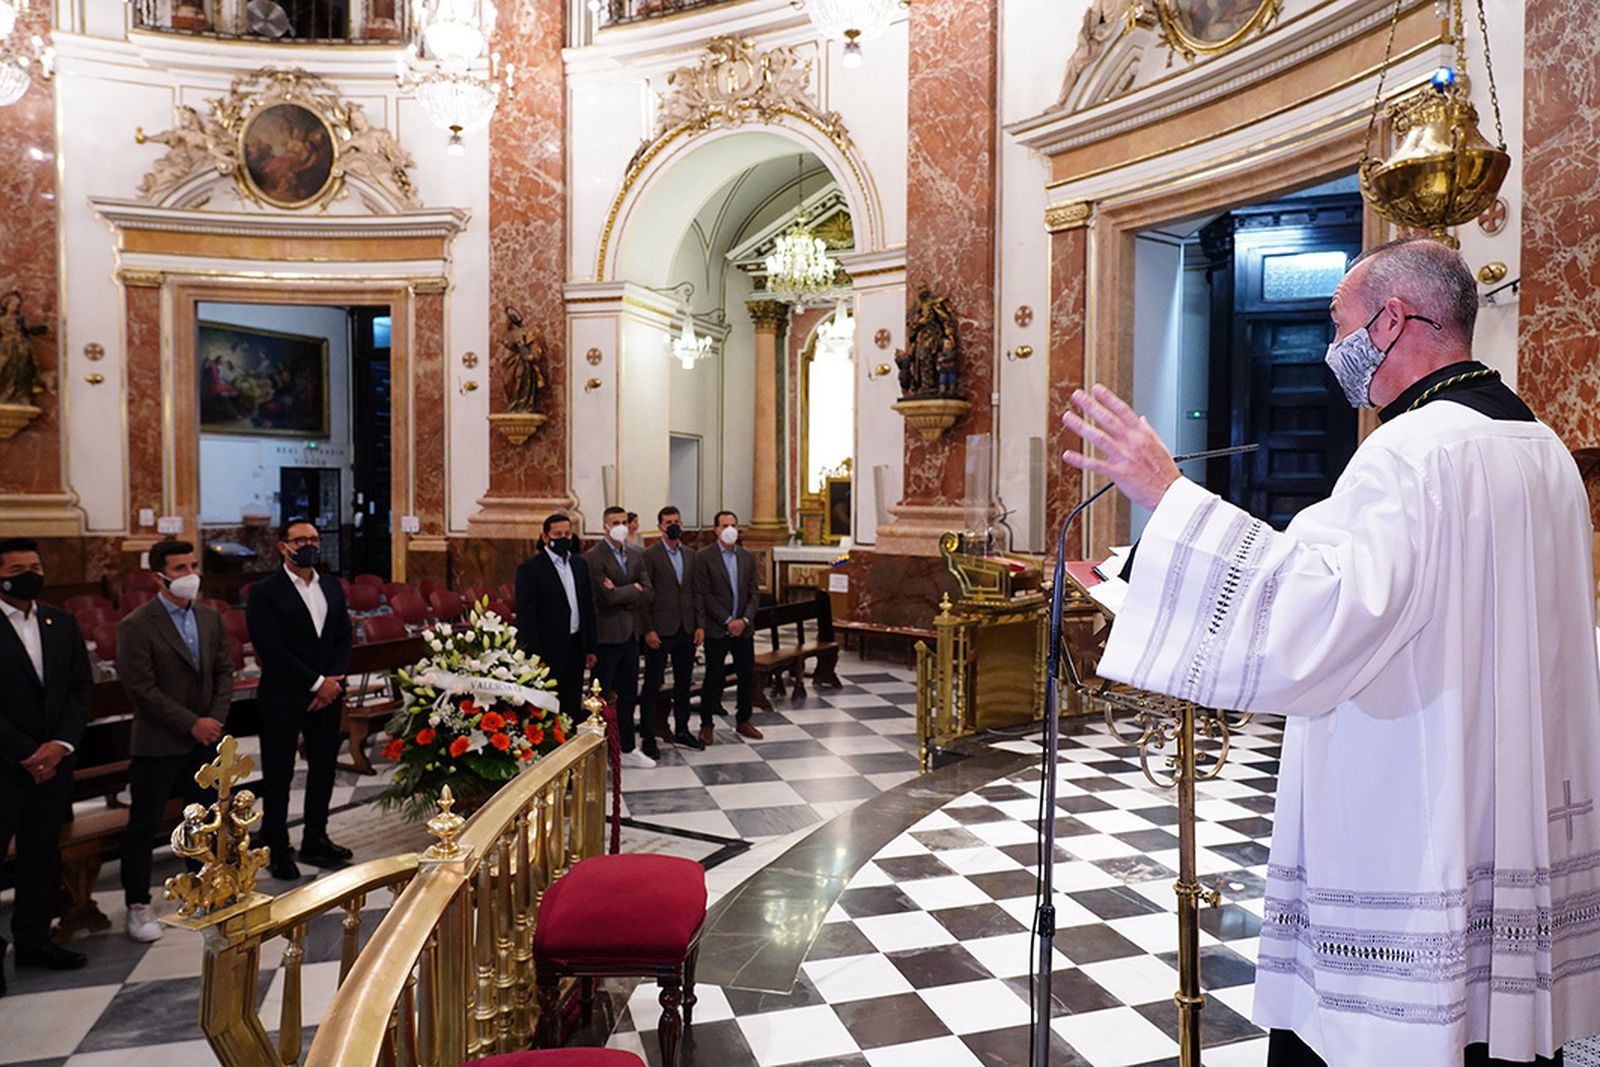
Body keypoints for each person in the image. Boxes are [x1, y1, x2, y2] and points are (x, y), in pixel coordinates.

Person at [1060, 238, 1600, 1067]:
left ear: (1391, 322)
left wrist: (1169, 499)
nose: (1328, 347)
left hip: (1415, 823)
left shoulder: (1412, 453)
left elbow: (1315, 616)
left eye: (1338, 322)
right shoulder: (1547, 452)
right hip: (1510, 811)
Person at [115, 539, 233, 942]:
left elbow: (223, 673)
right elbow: (142, 690)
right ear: (159, 576)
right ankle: (137, 904)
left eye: (193, 566)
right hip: (159, 742)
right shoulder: (137, 624)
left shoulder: (209, 618)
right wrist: (191, 723)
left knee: (201, 820)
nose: (190, 575)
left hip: (205, 739)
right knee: (144, 825)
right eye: (180, 568)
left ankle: (201, 888)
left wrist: (213, 721)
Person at [0, 537, 93, 985]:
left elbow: (79, 689)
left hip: (54, 764)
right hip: (5, 765)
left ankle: (34, 939)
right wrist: (24, 752)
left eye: (35, 565)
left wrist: (60, 745)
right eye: (19, 568)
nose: (30, 575)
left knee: (41, 855)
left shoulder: (62, 621)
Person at [245, 518, 354, 881]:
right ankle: (276, 845)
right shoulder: (265, 592)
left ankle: (316, 837)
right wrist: (315, 683)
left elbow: (342, 637)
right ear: (282, 546)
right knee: (280, 773)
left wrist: (332, 681)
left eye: (313, 539)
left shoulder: (333, 587)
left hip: (328, 694)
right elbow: (270, 648)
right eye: (300, 539)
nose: (308, 544)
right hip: (284, 694)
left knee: (323, 768)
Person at [585, 506, 656, 769]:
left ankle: (627, 747)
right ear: (605, 526)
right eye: (615, 522)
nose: (621, 526)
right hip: (606, 636)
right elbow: (607, 597)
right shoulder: (594, 557)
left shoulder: (636, 555)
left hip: (630, 635)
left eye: (624, 521)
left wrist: (626, 591)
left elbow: (648, 591)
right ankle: (596, 750)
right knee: (600, 698)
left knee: (628, 695)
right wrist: (632, 590)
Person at [514, 514, 597, 721]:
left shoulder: (579, 565)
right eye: (557, 534)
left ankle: (571, 747)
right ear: (545, 537)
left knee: (571, 703)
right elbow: (527, 617)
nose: (563, 538)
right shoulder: (531, 568)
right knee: (548, 706)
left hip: (575, 644)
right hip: (548, 648)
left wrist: (590, 647)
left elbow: (587, 607)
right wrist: (534, 655)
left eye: (567, 534)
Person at [694, 511, 763, 744]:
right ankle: (706, 724)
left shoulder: (746, 557)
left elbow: (754, 593)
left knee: (746, 674)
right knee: (713, 677)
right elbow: (705, 594)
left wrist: (744, 620)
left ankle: (744, 719)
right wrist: (727, 620)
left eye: (733, 524)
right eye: (725, 525)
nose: (730, 529)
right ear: (716, 530)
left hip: (743, 628)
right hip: (718, 627)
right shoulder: (704, 557)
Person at [641, 506, 704, 751]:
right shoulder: (650, 555)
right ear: (660, 527)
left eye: (677, 521)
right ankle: (648, 736)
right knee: (652, 683)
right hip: (660, 629)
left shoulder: (691, 555)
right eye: (668, 522)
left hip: (686, 627)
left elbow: (696, 592)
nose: (673, 525)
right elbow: (646, 596)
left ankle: (682, 729)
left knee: (683, 682)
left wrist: (699, 625)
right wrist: (648, 629)